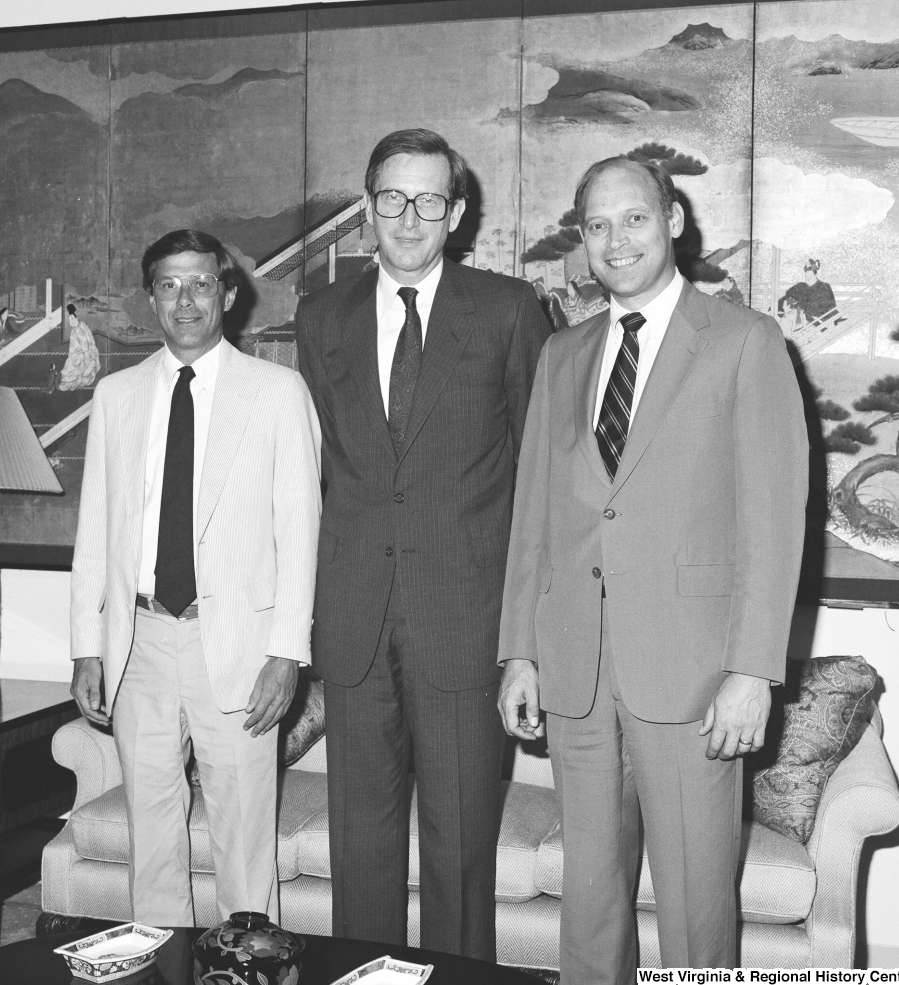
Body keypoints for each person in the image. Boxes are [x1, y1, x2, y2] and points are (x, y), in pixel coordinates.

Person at [497, 158, 808, 983]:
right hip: (577, 674)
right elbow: (535, 517)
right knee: (588, 908)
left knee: (696, 913)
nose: (615, 239)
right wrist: (519, 651)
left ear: (673, 220)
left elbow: (775, 524)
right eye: (596, 225)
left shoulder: (744, 341)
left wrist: (753, 671)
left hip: (695, 680)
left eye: (634, 218)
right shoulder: (563, 354)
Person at [295, 128, 550, 961]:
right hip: (355, 622)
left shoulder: (510, 310)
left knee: (462, 851)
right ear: (367, 207)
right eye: (392, 199)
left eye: (430, 200)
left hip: (466, 622)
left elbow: (539, 478)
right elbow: (320, 469)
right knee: (359, 850)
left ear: (458, 211)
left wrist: (525, 639)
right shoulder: (320, 315)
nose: (410, 217)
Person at [70, 229, 321, 927]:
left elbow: (302, 532)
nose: (186, 300)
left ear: (228, 293)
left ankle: (248, 968)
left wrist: (286, 653)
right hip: (139, 642)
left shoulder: (277, 392)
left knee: (242, 836)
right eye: (170, 285)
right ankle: (156, 962)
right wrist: (86, 647)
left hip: (237, 644)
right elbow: (95, 532)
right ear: (151, 297)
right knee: (150, 832)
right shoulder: (116, 396)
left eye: (202, 283)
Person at [778, 259, 837, 329]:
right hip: (796, 316)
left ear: (816, 275)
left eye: (810, 275)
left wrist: (801, 311)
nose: (808, 277)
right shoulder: (801, 286)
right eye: (806, 275)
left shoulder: (824, 287)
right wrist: (789, 304)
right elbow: (788, 297)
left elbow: (826, 305)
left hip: (816, 319)